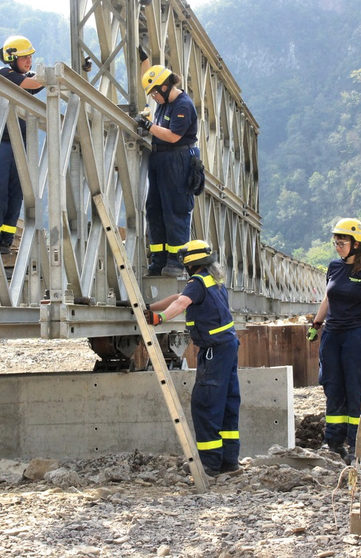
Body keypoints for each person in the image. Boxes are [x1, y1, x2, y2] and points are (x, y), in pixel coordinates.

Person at [144, 240, 241, 477]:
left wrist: (159, 319)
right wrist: (149, 307)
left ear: (190, 264)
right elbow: (179, 297)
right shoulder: (213, 281)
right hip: (227, 346)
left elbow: (181, 302)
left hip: (214, 349)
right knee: (227, 402)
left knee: (206, 403)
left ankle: (209, 464)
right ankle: (229, 461)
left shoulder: (197, 282)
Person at [307, 218, 361, 465]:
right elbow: (327, 299)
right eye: (336, 242)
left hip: (357, 336)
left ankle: (356, 444)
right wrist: (316, 324)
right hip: (332, 335)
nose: (338, 247)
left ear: (357, 244)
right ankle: (333, 442)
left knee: (355, 387)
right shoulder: (333, 267)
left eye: (342, 242)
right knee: (333, 387)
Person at [134, 62, 202, 277]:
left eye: (154, 92)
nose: (153, 97)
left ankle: (176, 261)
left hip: (178, 159)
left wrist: (149, 126)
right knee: (155, 210)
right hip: (160, 158)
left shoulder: (183, 105)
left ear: (164, 87)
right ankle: (159, 260)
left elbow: (173, 136)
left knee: (175, 210)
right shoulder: (164, 103)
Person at [0, 35, 45, 254]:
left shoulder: (23, 78)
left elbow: (36, 82)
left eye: (30, 57)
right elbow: (36, 82)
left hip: (20, 144)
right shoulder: (3, 75)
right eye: (24, 57)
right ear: (12, 59)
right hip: (0, 144)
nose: (29, 61)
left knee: (16, 194)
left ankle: (6, 241)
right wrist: (49, 76)